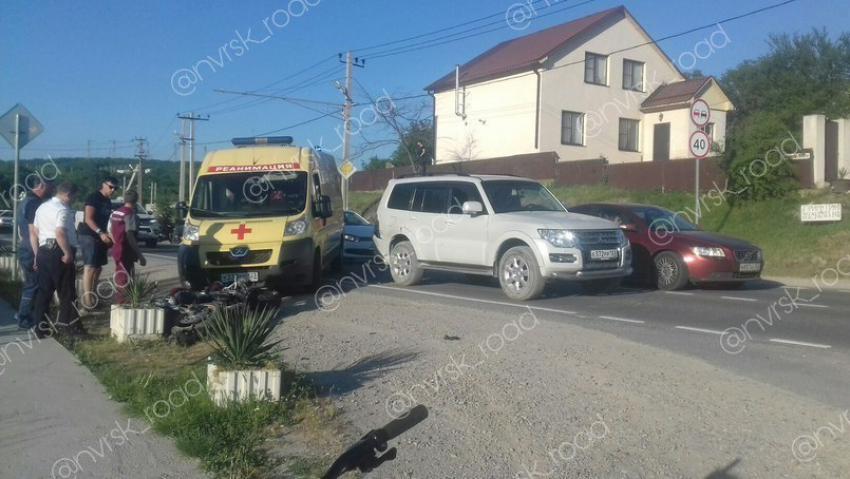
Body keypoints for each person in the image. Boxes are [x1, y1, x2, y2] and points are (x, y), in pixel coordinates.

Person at [31, 181, 84, 338]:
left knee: (44, 292)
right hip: (59, 251)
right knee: (66, 292)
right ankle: (67, 327)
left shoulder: (42, 207)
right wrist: (67, 253)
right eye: (74, 197)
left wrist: (36, 255)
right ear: (69, 195)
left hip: (43, 251)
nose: (74, 199)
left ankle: (40, 328)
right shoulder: (63, 210)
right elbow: (60, 233)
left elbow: (34, 232)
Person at [14, 178, 53, 330]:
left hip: (25, 246)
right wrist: (38, 254)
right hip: (32, 249)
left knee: (30, 284)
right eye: (51, 186)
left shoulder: (24, 201)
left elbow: (21, 229)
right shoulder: (35, 203)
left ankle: (26, 314)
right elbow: (34, 231)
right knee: (33, 285)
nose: (52, 190)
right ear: (41, 186)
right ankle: (24, 318)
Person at [78, 176, 117, 310]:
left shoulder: (108, 201)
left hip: (101, 235)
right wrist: (100, 232)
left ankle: (94, 297)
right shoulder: (94, 197)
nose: (113, 190)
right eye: (111, 187)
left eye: (115, 188)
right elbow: (88, 218)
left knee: (98, 267)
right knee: (89, 267)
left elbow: (106, 221)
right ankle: (87, 301)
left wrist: (108, 234)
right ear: (103, 184)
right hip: (89, 235)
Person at [108, 190, 146, 304]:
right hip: (125, 250)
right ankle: (123, 302)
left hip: (117, 248)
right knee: (125, 277)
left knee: (122, 274)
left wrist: (116, 243)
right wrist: (139, 254)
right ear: (136, 200)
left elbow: (110, 231)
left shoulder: (116, 213)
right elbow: (130, 234)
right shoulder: (129, 214)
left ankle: (124, 300)